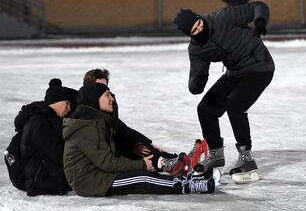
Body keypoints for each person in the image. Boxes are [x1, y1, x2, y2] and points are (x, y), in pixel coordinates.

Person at [174, 2, 275, 182]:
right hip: (235, 73)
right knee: (205, 109)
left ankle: (246, 158)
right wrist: (196, 84)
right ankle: (215, 154)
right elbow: (198, 75)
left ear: (199, 17)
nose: (200, 29)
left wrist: (260, 21)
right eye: (195, 30)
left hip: (260, 66)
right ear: (189, 34)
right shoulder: (196, 49)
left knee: (234, 104)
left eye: (199, 23)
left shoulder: (223, 17)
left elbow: (258, 6)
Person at [62, 82, 216, 197]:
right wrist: (141, 164)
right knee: (143, 179)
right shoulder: (87, 127)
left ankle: (186, 178)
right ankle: (188, 186)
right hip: (91, 182)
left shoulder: (97, 121)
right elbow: (107, 162)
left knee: (145, 173)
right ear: (95, 99)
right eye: (107, 95)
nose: (112, 99)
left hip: (99, 174)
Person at [82, 68, 205, 175]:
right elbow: (108, 140)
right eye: (99, 87)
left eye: (106, 87)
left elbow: (121, 128)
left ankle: (181, 160)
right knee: (141, 150)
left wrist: (146, 142)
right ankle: (176, 164)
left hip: (117, 147)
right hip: (108, 156)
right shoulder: (86, 110)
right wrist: (131, 147)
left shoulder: (110, 101)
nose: (105, 91)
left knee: (144, 146)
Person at [17, 78, 76, 196]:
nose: (69, 108)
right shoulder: (40, 122)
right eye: (67, 103)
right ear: (57, 102)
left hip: (48, 178)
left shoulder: (51, 119)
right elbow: (58, 155)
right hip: (41, 181)